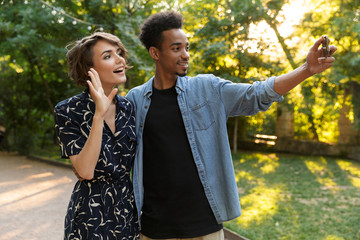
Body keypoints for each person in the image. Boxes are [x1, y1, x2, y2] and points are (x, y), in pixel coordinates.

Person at [126, 11, 337, 240]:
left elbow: (256, 94)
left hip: (204, 225)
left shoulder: (207, 89)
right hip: (154, 228)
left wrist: (306, 70)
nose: (186, 55)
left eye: (187, 47)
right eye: (176, 48)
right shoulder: (135, 100)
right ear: (155, 53)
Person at [54, 32, 140, 239]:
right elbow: (85, 171)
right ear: (89, 69)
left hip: (128, 210)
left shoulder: (129, 107)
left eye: (119, 53)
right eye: (108, 56)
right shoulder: (68, 110)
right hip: (89, 214)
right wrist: (98, 115)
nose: (120, 59)